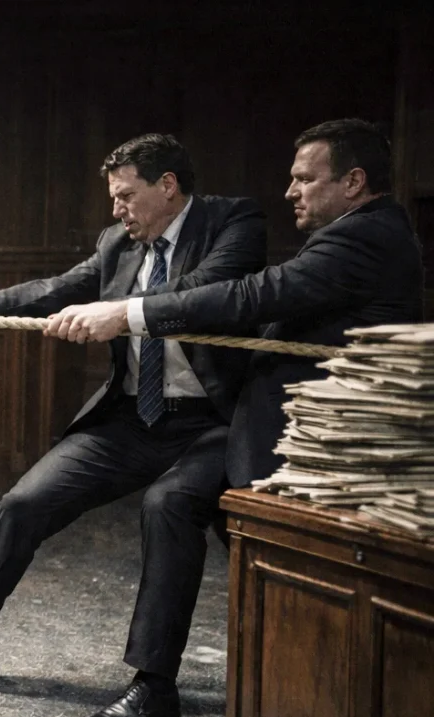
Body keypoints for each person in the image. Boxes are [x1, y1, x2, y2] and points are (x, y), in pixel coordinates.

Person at [0, 134, 267, 717]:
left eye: (126, 196)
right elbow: (61, 287)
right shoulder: (118, 241)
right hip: (132, 418)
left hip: (213, 422)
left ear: (167, 186)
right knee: (24, 502)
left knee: (166, 507)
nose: (116, 210)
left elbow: (210, 293)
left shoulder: (232, 222)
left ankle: (153, 688)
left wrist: (123, 312)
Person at [49, 118, 424, 488]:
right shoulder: (362, 230)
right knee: (175, 506)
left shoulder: (363, 235)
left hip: (328, 437)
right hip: (297, 425)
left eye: (305, 179)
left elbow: (255, 295)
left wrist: (126, 312)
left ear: (354, 182)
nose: (290, 192)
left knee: (187, 508)